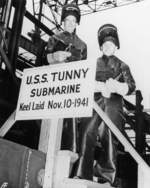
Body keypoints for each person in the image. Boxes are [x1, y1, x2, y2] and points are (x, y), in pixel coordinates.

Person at [73, 24, 136, 187]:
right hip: (94, 104)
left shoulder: (123, 66)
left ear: (116, 47)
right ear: (101, 47)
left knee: (110, 139)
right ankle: (82, 173)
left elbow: (131, 86)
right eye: (105, 45)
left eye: (111, 45)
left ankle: (107, 177)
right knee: (86, 134)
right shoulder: (92, 64)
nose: (108, 47)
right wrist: (98, 86)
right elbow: (82, 82)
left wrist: (118, 86)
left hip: (114, 106)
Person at [45, 3, 87, 152]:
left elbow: (84, 73)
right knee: (49, 126)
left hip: (71, 92)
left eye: (73, 21)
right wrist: (53, 57)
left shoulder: (82, 45)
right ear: (63, 21)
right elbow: (40, 62)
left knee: (71, 128)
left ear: (77, 23)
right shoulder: (53, 39)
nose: (70, 23)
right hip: (53, 90)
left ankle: (70, 160)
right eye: (67, 20)